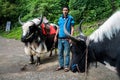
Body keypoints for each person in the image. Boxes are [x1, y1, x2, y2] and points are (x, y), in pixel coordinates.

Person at [54, 6, 74, 72]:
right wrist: (55, 36)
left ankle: (66, 66)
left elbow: (72, 28)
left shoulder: (70, 18)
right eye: (64, 10)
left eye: (66, 10)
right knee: (60, 53)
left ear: (68, 11)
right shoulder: (60, 19)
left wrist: (71, 37)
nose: (65, 11)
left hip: (67, 39)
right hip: (60, 39)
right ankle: (61, 65)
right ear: (62, 11)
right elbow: (58, 28)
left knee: (67, 53)